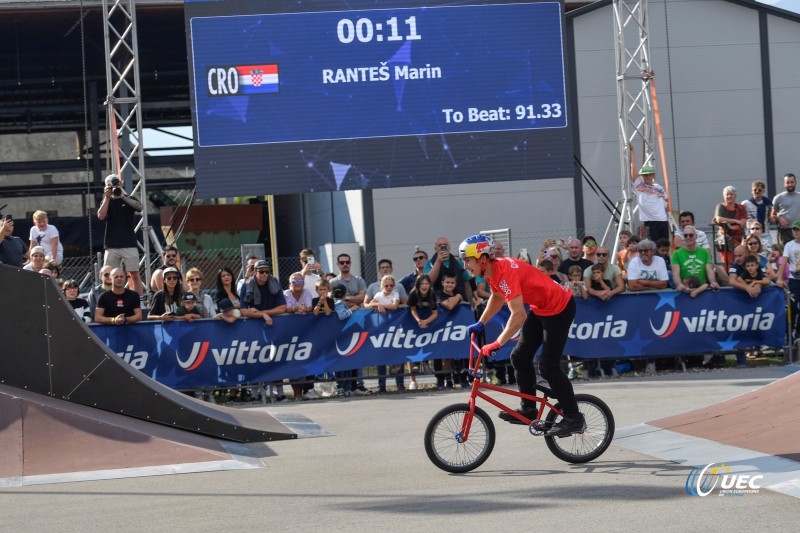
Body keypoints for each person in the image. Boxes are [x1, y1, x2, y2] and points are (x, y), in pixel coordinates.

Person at [459, 234, 584, 437]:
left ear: (482, 259)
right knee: (519, 357)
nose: (465, 266)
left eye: (467, 260)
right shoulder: (492, 271)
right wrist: (481, 322)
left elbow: (518, 315)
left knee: (548, 366)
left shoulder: (504, 271)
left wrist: (497, 343)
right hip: (542, 308)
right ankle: (528, 408)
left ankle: (574, 417)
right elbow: (498, 297)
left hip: (560, 308)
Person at [97, 173, 144, 295]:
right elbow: (100, 216)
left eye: (116, 183)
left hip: (129, 243)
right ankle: (108, 299)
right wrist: (107, 197)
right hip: (112, 245)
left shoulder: (128, 198)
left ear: (121, 183)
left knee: (135, 273)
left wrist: (123, 196)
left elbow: (140, 207)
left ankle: (139, 300)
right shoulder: (107, 201)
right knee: (108, 275)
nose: (115, 186)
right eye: (111, 185)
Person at [407, 274, 438, 391]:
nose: (424, 286)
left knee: (428, 345)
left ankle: (426, 363)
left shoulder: (432, 294)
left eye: (426, 284)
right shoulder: (413, 294)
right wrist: (419, 320)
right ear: (418, 285)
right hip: (414, 323)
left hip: (428, 322)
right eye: (422, 284)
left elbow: (435, 313)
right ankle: (413, 381)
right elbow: (412, 309)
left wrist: (426, 321)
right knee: (411, 349)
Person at [671, 226, 720, 292]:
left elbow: (710, 270)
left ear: (696, 237)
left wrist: (713, 282)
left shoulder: (704, 252)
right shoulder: (676, 254)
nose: (688, 237)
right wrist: (679, 284)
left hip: (702, 289)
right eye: (685, 235)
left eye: (691, 235)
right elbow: (675, 273)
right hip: (685, 290)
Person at [239, 259, 286, 325]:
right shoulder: (246, 285)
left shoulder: (275, 283)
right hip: (255, 323)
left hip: (274, 321)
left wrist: (262, 313)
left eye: (267, 272)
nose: (265, 274)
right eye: (261, 272)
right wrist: (263, 314)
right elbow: (243, 311)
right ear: (255, 271)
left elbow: (282, 308)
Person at [631, 164, 670, 243]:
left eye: (650, 174)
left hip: (662, 220)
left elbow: (666, 200)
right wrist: (632, 152)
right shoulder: (639, 185)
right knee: (651, 245)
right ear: (642, 176)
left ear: (653, 176)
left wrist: (668, 214)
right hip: (649, 221)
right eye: (645, 175)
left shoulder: (659, 187)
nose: (648, 176)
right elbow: (633, 172)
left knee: (664, 245)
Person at [712, 185, 748, 269]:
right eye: (727, 194)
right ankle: (728, 279)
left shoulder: (741, 208)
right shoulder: (720, 207)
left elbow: (742, 224)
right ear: (724, 196)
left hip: (739, 238)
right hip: (725, 239)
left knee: (741, 260)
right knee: (727, 263)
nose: (729, 196)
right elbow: (719, 219)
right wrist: (736, 221)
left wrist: (731, 227)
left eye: (731, 194)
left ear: (735, 196)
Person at [770, 173, 800, 246]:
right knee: (785, 253)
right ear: (784, 184)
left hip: (799, 230)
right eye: (788, 182)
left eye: (792, 182)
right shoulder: (778, 198)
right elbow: (772, 216)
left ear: (795, 183)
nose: (790, 185)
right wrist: (779, 218)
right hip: (785, 232)